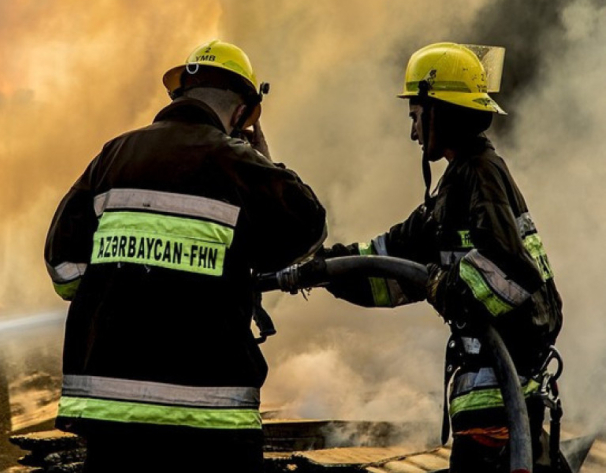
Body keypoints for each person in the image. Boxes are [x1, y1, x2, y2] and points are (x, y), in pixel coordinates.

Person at [44, 40, 327, 473]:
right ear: (243, 114)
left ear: (178, 96)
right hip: (209, 415)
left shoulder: (113, 155)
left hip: (110, 413)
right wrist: (268, 161)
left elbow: (63, 269)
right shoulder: (237, 162)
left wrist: (123, 290)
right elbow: (309, 229)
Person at [321, 42, 563, 472]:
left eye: (415, 116)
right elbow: (388, 263)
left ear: (440, 112)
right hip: (487, 411)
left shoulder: (480, 175)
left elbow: (511, 271)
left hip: (501, 416)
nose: (412, 131)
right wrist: (319, 269)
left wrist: (442, 283)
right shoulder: (454, 189)